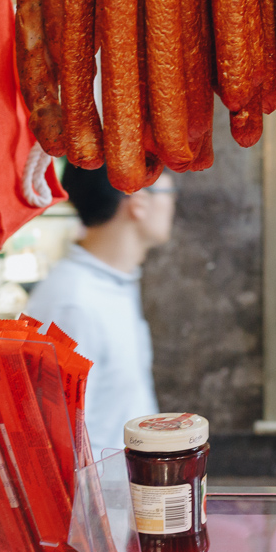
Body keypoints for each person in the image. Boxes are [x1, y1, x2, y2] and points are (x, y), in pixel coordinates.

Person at [24, 162, 174, 455]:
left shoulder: (114, 281)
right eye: (170, 193)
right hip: (99, 498)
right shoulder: (72, 302)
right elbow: (58, 442)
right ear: (139, 201)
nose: (173, 206)